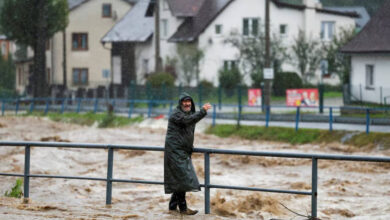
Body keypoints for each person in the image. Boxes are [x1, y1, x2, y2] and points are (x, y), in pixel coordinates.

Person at [164, 92, 212, 215]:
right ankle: (183, 209)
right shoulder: (177, 114)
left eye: (188, 101)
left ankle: (172, 207)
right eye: (184, 102)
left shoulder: (188, 114)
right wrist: (202, 111)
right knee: (183, 180)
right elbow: (187, 121)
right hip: (175, 152)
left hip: (182, 151)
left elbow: (187, 129)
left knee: (181, 179)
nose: (187, 104)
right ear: (180, 104)